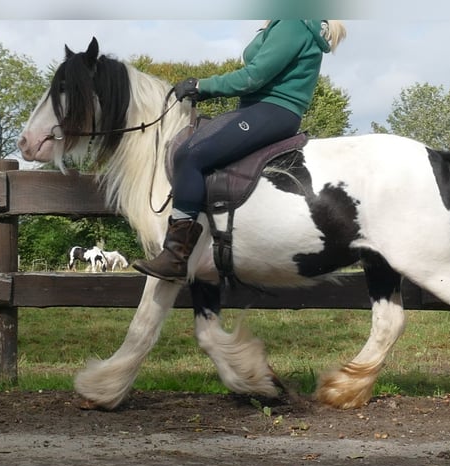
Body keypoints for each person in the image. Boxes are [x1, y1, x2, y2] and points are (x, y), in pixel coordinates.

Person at [132, 19, 347, 281]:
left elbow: (253, 77)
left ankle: (176, 256)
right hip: (258, 109)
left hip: (271, 109)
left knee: (190, 155)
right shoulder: (290, 22)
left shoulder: (293, 23)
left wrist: (202, 87)